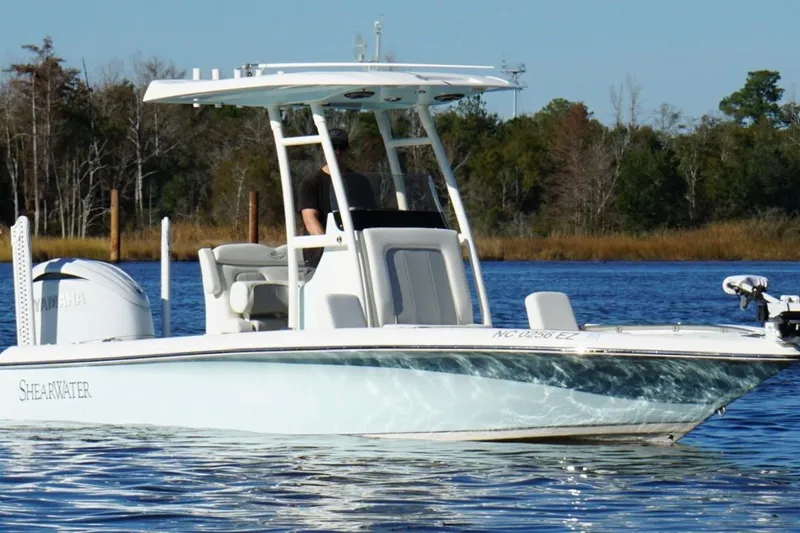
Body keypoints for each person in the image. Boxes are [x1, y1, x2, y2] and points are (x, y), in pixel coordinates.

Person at [297, 128, 375, 268]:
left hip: (357, 257)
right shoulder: (310, 183)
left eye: (342, 147)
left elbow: (371, 216)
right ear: (324, 149)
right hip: (321, 260)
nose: (337, 152)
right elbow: (310, 219)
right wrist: (330, 247)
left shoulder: (359, 181)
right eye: (333, 146)